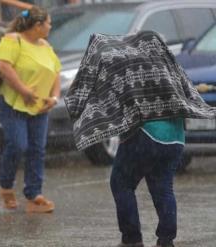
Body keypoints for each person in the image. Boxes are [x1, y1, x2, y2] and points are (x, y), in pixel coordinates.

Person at [64, 31, 216, 247]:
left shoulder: (127, 64)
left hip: (146, 134)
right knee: (163, 187)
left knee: (122, 183)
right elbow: (188, 91)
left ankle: (131, 239)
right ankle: (166, 240)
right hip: (175, 137)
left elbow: (97, 90)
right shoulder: (167, 63)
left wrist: (76, 108)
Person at [0, 6, 61, 213]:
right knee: (18, 144)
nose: (50, 27)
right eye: (48, 23)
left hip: (39, 107)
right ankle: (6, 187)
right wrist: (24, 91)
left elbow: (55, 71)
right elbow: (3, 66)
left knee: (37, 150)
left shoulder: (45, 45)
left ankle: (34, 195)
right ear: (37, 25)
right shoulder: (13, 40)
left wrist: (54, 97)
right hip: (13, 102)